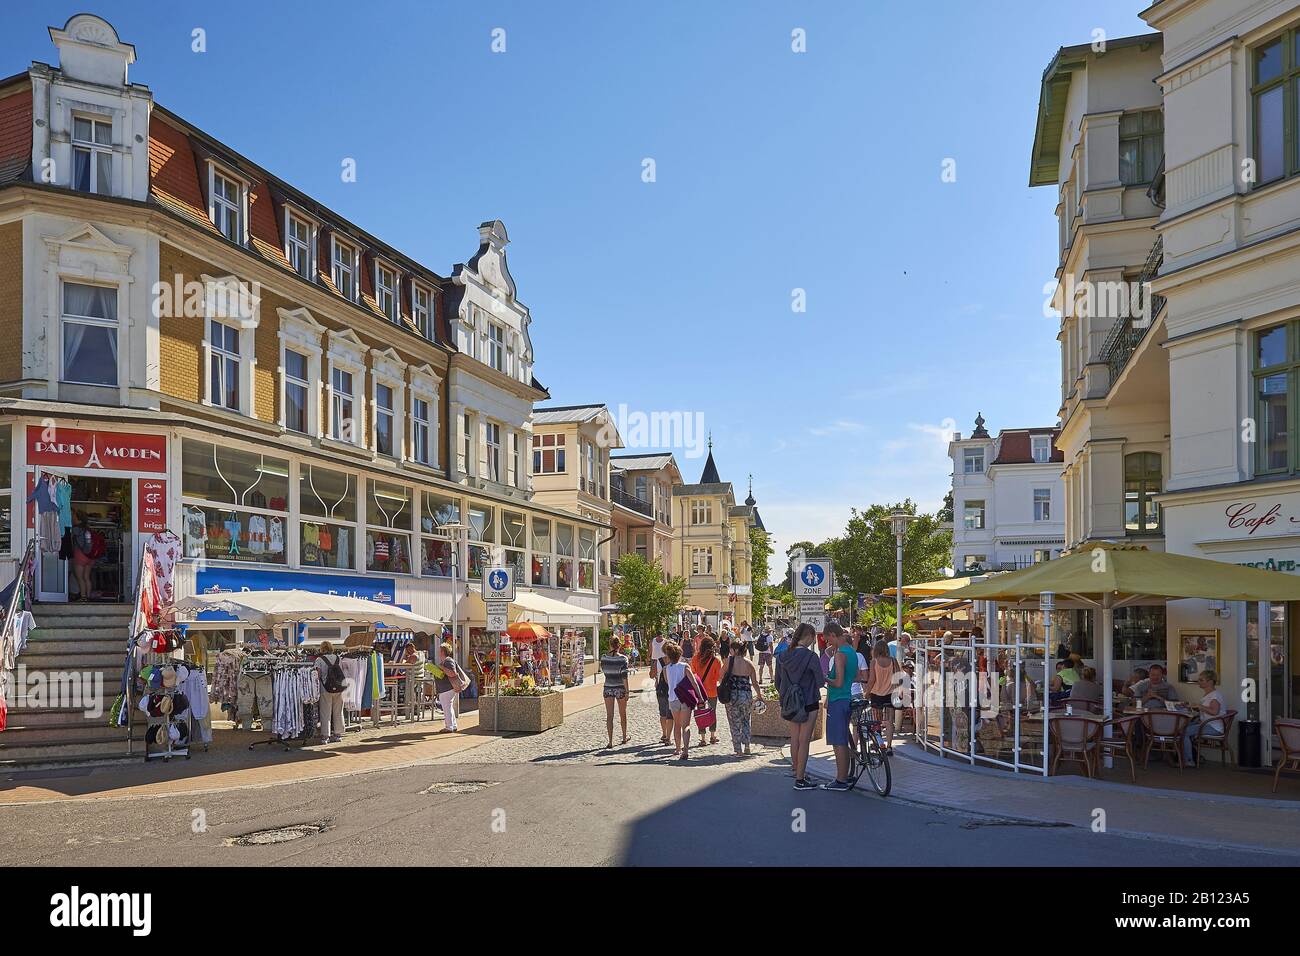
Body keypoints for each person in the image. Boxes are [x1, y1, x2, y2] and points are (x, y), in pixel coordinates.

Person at [777, 622, 825, 791]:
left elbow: (778, 682)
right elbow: (820, 682)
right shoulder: (811, 657)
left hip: (790, 702)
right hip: (809, 701)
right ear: (810, 637)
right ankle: (800, 778)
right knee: (805, 741)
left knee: (795, 738)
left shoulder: (782, 656)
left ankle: (797, 770)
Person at [820, 621, 858, 791]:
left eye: (828, 639)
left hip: (838, 699)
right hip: (847, 697)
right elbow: (854, 676)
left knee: (838, 742)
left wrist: (825, 678)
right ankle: (845, 775)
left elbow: (838, 682)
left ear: (833, 635)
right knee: (843, 739)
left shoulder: (840, 655)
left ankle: (841, 779)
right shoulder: (851, 651)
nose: (828, 643)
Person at [663, 640, 704, 761]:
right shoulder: (685, 666)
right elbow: (694, 682)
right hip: (685, 698)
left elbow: (667, 682)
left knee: (677, 724)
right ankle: (685, 750)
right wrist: (700, 697)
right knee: (686, 725)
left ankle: (677, 748)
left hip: (673, 698)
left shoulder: (666, 669)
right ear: (680, 654)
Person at [722, 639, 763, 755]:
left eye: (731, 649)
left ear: (735, 650)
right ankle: (747, 746)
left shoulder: (729, 661)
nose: (729, 651)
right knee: (745, 720)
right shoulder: (749, 663)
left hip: (733, 696)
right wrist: (759, 696)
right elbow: (755, 683)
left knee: (734, 722)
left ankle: (738, 749)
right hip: (746, 695)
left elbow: (720, 676)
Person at [1184, 670, 1228, 765]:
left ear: (1210, 682)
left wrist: (1200, 707)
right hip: (1208, 724)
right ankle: (1194, 756)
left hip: (1214, 727)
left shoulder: (1215, 696)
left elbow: (1214, 711)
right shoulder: (1210, 695)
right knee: (1183, 727)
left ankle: (1188, 760)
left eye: (1201, 680)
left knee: (1184, 732)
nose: (1198, 682)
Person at [866, 639, 900, 753]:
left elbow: (871, 680)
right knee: (890, 721)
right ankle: (889, 746)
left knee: (877, 721)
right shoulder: (893, 661)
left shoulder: (874, 662)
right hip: (890, 694)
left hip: (876, 694)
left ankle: (879, 744)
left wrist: (866, 693)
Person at [691, 636, 723, 745]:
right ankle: (713, 736)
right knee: (712, 712)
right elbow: (719, 677)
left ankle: (703, 738)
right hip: (712, 691)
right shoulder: (716, 661)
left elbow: (693, 674)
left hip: (699, 691)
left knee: (701, 713)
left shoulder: (695, 659)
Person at [600, 636, 630, 748]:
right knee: (623, 714)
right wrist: (627, 691)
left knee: (609, 715)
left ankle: (610, 741)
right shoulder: (623, 659)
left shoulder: (604, 658)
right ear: (619, 645)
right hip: (620, 688)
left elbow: (604, 671)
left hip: (608, 687)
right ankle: (624, 737)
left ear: (610, 645)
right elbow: (624, 677)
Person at [315, 641, 346, 745]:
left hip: (325, 689)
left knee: (325, 712)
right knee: (338, 711)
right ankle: (338, 734)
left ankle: (325, 736)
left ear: (322, 649)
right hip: (339, 688)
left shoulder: (319, 659)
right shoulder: (338, 658)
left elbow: (318, 675)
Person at [432, 641, 466, 732]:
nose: (438, 652)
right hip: (447, 688)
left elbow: (452, 673)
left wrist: (441, 667)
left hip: (447, 688)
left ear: (443, 651)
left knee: (446, 707)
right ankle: (453, 725)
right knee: (448, 707)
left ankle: (449, 727)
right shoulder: (446, 660)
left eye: (440, 650)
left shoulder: (448, 660)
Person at [655, 654, 673, 745]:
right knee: (670, 715)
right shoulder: (675, 661)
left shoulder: (658, 661)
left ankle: (664, 734)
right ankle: (669, 737)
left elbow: (652, 674)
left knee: (662, 713)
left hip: (661, 690)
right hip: (671, 690)